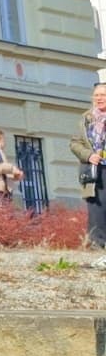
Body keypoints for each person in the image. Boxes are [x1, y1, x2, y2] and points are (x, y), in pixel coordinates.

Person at [70, 83, 106, 247]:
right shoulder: (86, 119)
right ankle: (97, 244)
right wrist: (89, 155)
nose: (99, 98)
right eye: (96, 95)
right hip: (93, 169)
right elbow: (75, 143)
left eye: (103, 95)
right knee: (96, 205)